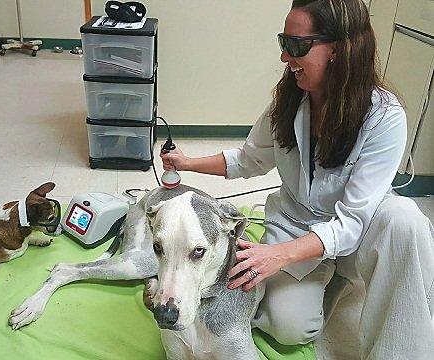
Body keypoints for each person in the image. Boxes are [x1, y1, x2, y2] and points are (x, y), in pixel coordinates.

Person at [160, 1, 434, 359]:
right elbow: (248, 159)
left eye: (297, 45)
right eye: (283, 42)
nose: (285, 57)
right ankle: (333, 279)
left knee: (406, 220)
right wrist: (188, 162)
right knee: (287, 328)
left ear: (339, 48)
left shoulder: (383, 117)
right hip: (295, 223)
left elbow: (352, 222)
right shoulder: (288, 101)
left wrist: (278, 255)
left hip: (359, 232)